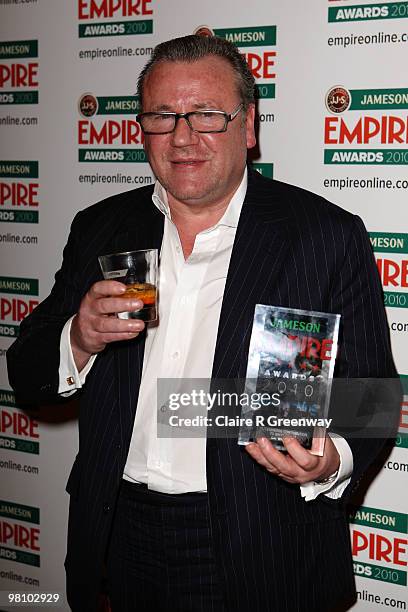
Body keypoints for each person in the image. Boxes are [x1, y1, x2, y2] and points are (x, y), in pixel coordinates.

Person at [7, 35, 398, 612]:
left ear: (248, 126)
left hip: (265, 539)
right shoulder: (99, 228)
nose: (183, 136)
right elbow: (27, 372)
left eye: (207, 115)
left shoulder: (324, 235)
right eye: (162, 116)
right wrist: (79, 337)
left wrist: (331, 456)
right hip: (120, 535)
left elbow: (373, 399)